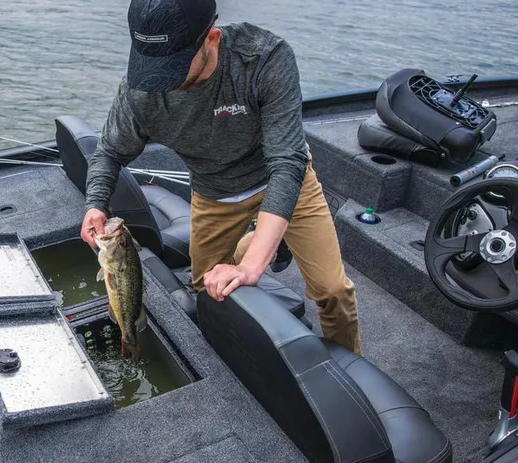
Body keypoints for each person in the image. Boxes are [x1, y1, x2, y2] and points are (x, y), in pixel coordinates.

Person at [79, 0, 362, 355]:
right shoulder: (140, 90)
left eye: (174, 66)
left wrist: (250, 267)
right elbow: (109, 152)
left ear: (211, 39)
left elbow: (287, 163)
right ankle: (265, 239)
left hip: (282, 180)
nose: (162, 82)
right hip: (213, 192)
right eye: (153, 65)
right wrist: (95, 205)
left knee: (333, 291)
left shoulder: (262, 58)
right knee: (206, 290)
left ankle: (354, 369)